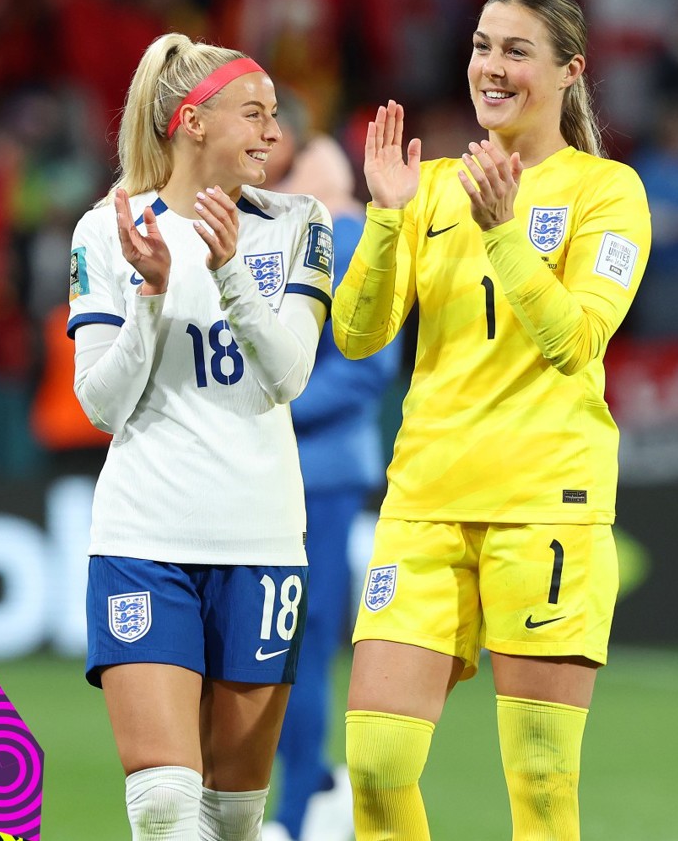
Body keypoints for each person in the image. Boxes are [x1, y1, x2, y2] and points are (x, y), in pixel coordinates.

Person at [333, 0, 651, 840]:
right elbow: (359, 336)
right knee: (375, 767)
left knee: (542, 786)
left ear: (569, 71)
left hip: (545, 504)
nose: (491, 67)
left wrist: (506, 231)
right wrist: (387, 218)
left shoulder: (607, 192)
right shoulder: (429, 188)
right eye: (482, 46)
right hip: (425, 503)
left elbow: (576, 341)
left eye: (516, 50)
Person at [68, 32, 332, 841]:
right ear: (190, 122)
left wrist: (223, 276)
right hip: (144, 535)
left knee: (234, 817)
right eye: (253, 114)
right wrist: (150, 298)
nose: (272, 134)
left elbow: (287, 374)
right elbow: (101, 404)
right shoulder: (107, 230)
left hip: (261, 543)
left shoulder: (297, 223)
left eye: (275, 116)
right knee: (163, 809)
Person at [264, 115, 402, 841]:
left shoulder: (346, 235)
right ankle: (311, 784)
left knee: (304, 641)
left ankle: (294, 810)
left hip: (319, 470)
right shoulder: (260, 228)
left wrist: (267, 411)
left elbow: (369, 370)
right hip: (258, 474)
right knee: (264, 646)